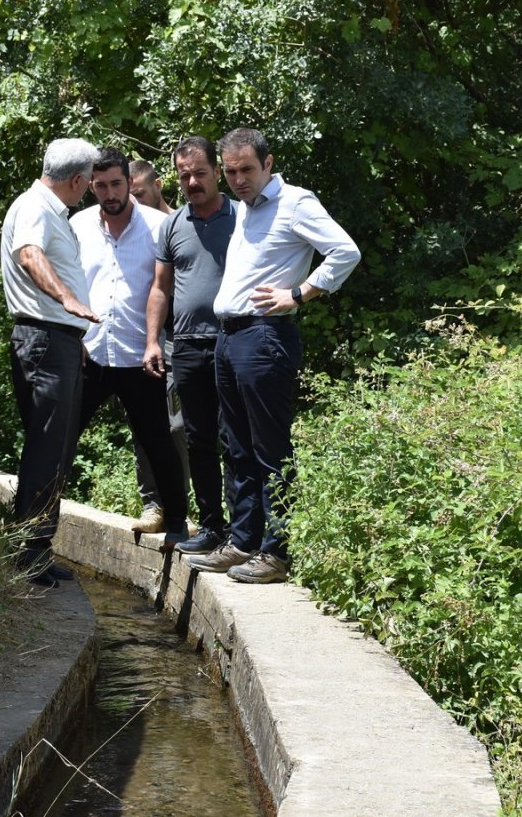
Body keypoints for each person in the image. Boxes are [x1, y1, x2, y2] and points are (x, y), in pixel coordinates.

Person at [187, 128, 361, 583]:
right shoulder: (246, 208)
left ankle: (277, 553)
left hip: (264, 338)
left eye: (247, 169)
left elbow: (345, 251)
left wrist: (299, 294)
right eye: (230, 171)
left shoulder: (296, 202)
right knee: (237, 446)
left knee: (270, 450)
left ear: (268, 163)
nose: (239, 179)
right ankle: (243, 542)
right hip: (230, 339)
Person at [70, 147, 191, 549]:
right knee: (62, 440)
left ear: (129, 182)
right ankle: (36, 531)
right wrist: (75, 335)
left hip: (141, 352)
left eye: (116, 183)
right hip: (90, 352)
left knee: (159, 440)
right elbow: (66, 283)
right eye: (100, 185)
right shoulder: (77, 225)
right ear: (91, 186)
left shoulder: (160, 225)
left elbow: (166, 286)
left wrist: (156, 341)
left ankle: (176, 524)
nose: (109, 192)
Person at [1, 138, 101, 587]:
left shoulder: (45, 208)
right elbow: (29, 255)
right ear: (78, 180)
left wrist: (70, 328)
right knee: (47, 445)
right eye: (89, 183)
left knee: (57, 447)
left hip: (56, 338)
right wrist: (67, 300)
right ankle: (28, 549)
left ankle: (38, 547)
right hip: (44, 338)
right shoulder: (35, 208)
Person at [143, 136, 236, 555]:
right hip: (187, 347)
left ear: (217, 171)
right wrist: (152, 341)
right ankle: (212, 526)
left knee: (237, 438)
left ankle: (245, 527)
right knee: (198, 441)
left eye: (200, 173)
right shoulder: (173, 225)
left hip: (232, 340)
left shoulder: (242, 216)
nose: (193, 182)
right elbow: (161, 289)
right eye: (185, 175)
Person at [129, 159, 189, 534]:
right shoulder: (127, 227)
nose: (132, 202)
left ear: (158, 184)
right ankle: (154, 505)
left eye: (139, 194)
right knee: (145, 423)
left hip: (185, 337)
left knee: (180, 426)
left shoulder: (185, 221)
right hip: (144, 338)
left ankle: (182, 504)